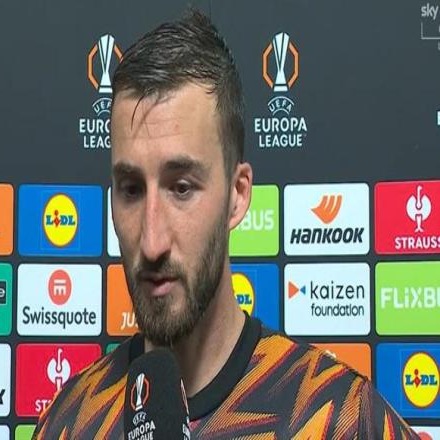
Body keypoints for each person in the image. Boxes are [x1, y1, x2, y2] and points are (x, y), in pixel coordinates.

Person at [33, 10, 419, 439]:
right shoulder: (67, 422)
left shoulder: (340, 417)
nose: (152, 241)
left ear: (237, 194)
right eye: (131, 189)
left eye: (182, 188)